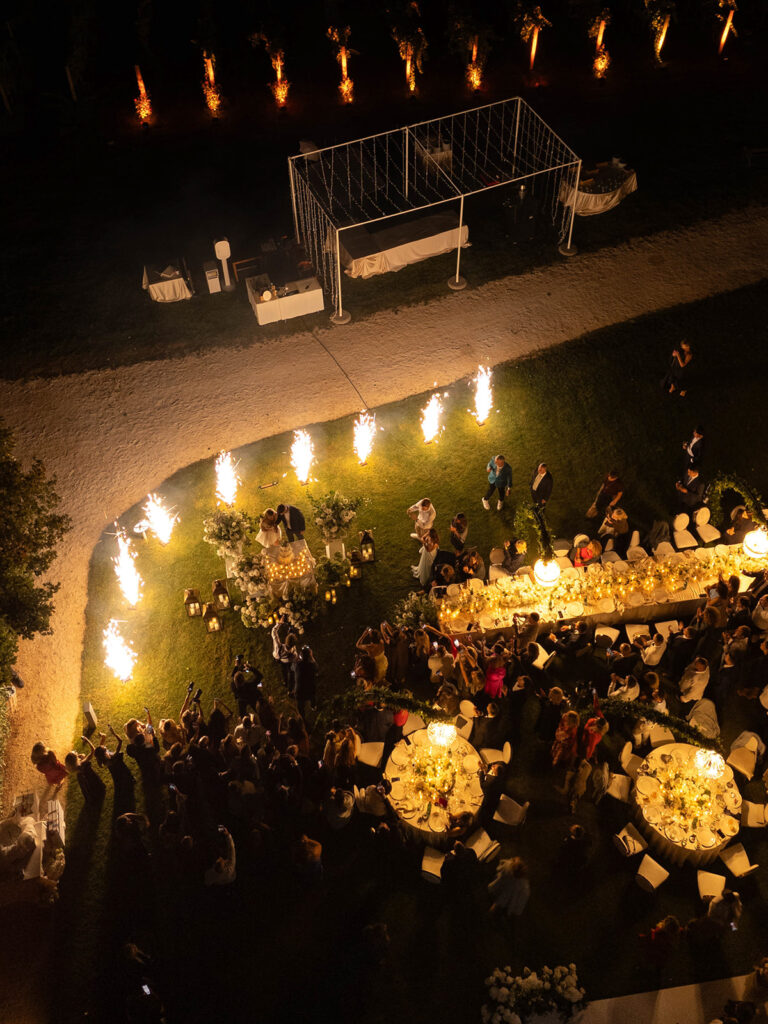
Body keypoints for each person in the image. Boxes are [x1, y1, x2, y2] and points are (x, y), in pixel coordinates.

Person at [293, 645, 318, 719]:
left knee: (300, 705)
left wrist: (299, 658)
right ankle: (313, 706)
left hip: (299, 690)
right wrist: (312, 657)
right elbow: (316, 668)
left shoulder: (297, 665)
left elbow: (293, 667)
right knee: (312, 696)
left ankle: (302, 717)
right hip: (309, 688)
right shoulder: (312, 665)